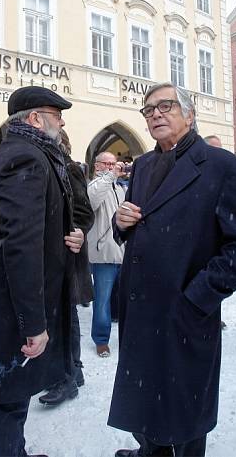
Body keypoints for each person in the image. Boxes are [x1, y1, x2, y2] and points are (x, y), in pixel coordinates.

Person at [109, 82, 236, 457]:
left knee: (185, 410)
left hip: (184, 312)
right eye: (148, 110)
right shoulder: (143, 165)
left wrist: (196, 297)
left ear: (190, 115)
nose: (156, 114)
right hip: (142, 309)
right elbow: (135, 224)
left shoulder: (223, 166)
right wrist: (121, 222)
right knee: (144, 402)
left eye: (166, 106)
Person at [0, 86, 83, 457]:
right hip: (12, 308)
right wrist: (33, 323)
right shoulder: (27, 158)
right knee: (9, 400)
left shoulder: (26, 153)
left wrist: (70, 234)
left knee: (13, 396)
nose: (61, 121)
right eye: (56, 114)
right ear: (34, 119)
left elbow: (34, 228)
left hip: (11, 301)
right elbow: (19, 244)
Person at [38, 128, 94, 407]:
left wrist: (79, 231)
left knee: (65, 316)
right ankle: (74, 371)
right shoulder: (48, 166)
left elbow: (84, 212)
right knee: (62, 315)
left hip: (66, 254)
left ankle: (67, 378)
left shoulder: (68, 168)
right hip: (53, 256)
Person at [86, 151, 125, 358]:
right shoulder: (93, 185)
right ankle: (101, 340)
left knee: (124, 297)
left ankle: (125, 335)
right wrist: (111, 176)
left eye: (114, 164)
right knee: (102, 300)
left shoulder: (119, 188)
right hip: (103, 253)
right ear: (97, 166)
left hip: (122, 251)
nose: (112, 167)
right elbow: (92, 200)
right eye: (107, 164)